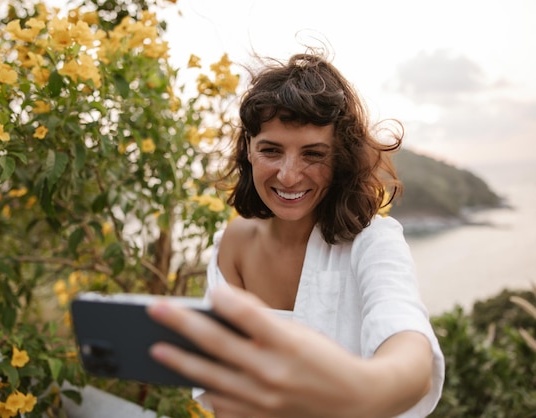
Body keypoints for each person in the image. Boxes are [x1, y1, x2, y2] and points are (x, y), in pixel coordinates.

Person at [147, 51, 445, 418]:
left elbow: (410, 354)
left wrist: (366, 390)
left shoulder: (374, 242)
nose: (289, 175)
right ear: (249, 152)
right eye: (271, 150)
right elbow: (228, 394)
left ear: (340, 158)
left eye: (313, 154)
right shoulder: (235, 246)